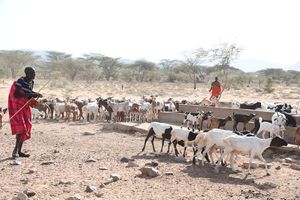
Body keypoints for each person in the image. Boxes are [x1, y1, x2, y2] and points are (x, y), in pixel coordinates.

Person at [8, 66, 42, 158]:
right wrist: (32, 94)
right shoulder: (20, 81)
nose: (34, 75)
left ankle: (19, 151)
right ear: (27, 74)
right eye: (33, 73)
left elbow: (29, 94)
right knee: (21, 128)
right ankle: (15, 151)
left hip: (25, 107)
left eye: (35, 73)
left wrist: (36, 95)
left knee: (26, 127)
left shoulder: (31, 82)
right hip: (17, 107)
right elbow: (17, 94)